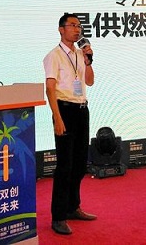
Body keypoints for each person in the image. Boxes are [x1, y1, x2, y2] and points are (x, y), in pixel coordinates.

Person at [43, 13, 97, 235]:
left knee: (79, 164)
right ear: (61, 29)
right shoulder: (53, 56)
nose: (77, 29)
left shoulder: (79, 54)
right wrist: (57, 117)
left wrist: (88, 61)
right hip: (64, 110)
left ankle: (73, 207)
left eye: (79, 26)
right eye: (73, 25)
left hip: (82, 110)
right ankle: (58, 217)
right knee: (64, 166)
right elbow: (50, 88)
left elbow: (89, 81)